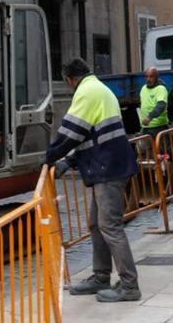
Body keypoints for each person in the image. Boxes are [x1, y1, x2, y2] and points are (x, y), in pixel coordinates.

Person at [46, 58, 141, 303]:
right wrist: (69, 162)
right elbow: (93, 137)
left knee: (109, 226)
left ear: (69, 79)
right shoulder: (99, 89)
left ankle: (129, 285)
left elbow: (70, 133)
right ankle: (100, 276)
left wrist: (49, 158)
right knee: (96, 224)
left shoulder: (87, 93)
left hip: (108, 169)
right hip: (108, 165)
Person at [139, 66, 170, 138]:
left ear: (156, 77)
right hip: (145, 127)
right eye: (146, 77)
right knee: (144, 149)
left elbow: (161, 106)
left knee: (162, 149)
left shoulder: (161, 89)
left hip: (159, 127)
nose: (148, 79)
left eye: (151, 77)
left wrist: (149, 117)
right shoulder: (143, 88)